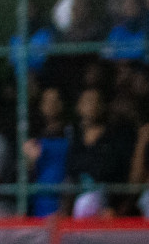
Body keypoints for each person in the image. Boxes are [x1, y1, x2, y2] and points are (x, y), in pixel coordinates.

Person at [65, 87, 132, 218]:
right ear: (79, 106)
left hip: (106, 211)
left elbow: (122, 175)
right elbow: (71, 176)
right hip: (78, 212)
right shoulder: (75, 140)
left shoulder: (113, 138)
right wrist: (65, 211)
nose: (92, 105)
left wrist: (116, 208)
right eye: (88, 101)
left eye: (96, 101)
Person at [23, 86, 72, 218]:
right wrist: (29, 163)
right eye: (47, 101)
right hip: (39, 204)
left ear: (62, 104)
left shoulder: (71, 134)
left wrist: (66, 206)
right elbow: (27, 175)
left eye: (55, 101)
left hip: (62, 204)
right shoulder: (34, 138)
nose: (51, 105)